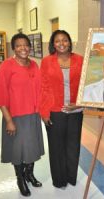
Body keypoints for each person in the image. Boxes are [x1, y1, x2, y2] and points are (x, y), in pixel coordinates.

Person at [0, 33, 44, 197]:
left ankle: (29, 174)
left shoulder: (34, 65)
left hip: (33, 115)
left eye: (26, 45)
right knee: (17, 150)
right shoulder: (6, 67)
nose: (23, 48)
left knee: (32, 147)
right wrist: (9, 120)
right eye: (18, 45)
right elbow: (1, 97)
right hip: (15, 116)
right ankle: (20, 178)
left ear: (30, 47)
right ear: (13, 48)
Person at [39, 30, 83, 188]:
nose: (61, 43)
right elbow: (42, 88)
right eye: (57, 41)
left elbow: (87, 85)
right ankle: (59, 180)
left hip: (75, 111)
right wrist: (43, 113)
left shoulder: (80, 60)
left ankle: (71, 177)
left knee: (73, 146)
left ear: (69, 42)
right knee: (56, 147)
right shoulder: (46, 62)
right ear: (53, 44)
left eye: (65, 40)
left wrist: (79, 104)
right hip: (54, 111)